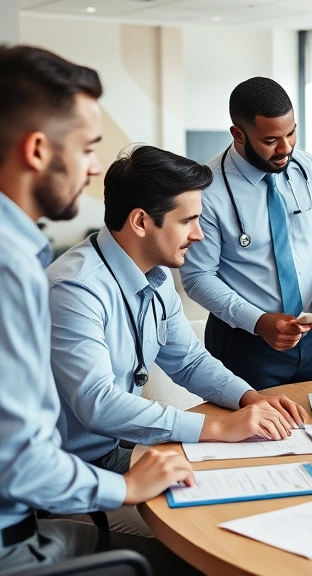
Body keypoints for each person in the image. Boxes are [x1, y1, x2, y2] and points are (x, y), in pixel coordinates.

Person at [0, 45, 194, 573]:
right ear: (38, 150)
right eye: (87, 148)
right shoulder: (19, 266)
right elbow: (23, 464)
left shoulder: (23, 254)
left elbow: (188, 360)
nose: (92, 170)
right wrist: (128, 487)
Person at [48, 144, 308, 481]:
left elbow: (189, 361)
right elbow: (97, 403)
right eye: (188, 220)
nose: (199, 235)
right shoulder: (74, 289)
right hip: (67, 475)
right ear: (141, 221)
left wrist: (250, 399)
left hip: (119, 452)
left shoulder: (155, 276)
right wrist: (217, 426)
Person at [180, 77, 312, 390]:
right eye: (271, 140)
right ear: (238, 134)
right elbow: (198, 277)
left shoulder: (308, 170)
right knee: (257, 436)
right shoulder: (207, 190)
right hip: (246, 344)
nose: (286, 148)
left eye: (291, 133)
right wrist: (258, 322)